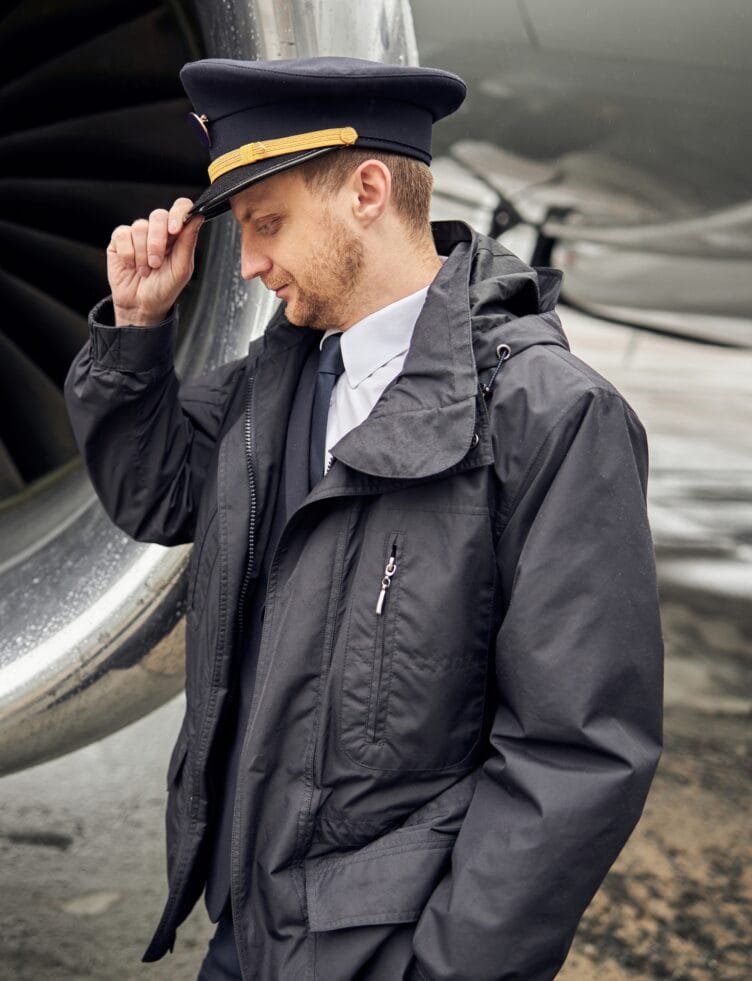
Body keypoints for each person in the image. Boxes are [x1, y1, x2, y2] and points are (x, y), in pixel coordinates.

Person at [65, 56, 663, 981]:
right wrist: (135, 335)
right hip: (247, 931)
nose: (252, 261)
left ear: (369, 192)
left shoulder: (549, 417)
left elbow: (575, 752)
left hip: (389, 954)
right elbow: (161, 496)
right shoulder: (277, 385)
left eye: (267, 224)